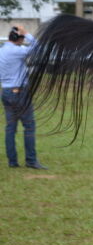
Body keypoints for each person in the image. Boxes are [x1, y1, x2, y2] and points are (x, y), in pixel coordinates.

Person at [0, 26, 47, 169]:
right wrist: (27, 34)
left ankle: (12, 161)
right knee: (29, 126)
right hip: (20, 92)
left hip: (6, 91)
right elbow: (40, 49)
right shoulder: (17, 51)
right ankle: (31, 160)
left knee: (10, 128)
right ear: (19, 39)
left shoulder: (1, 51)